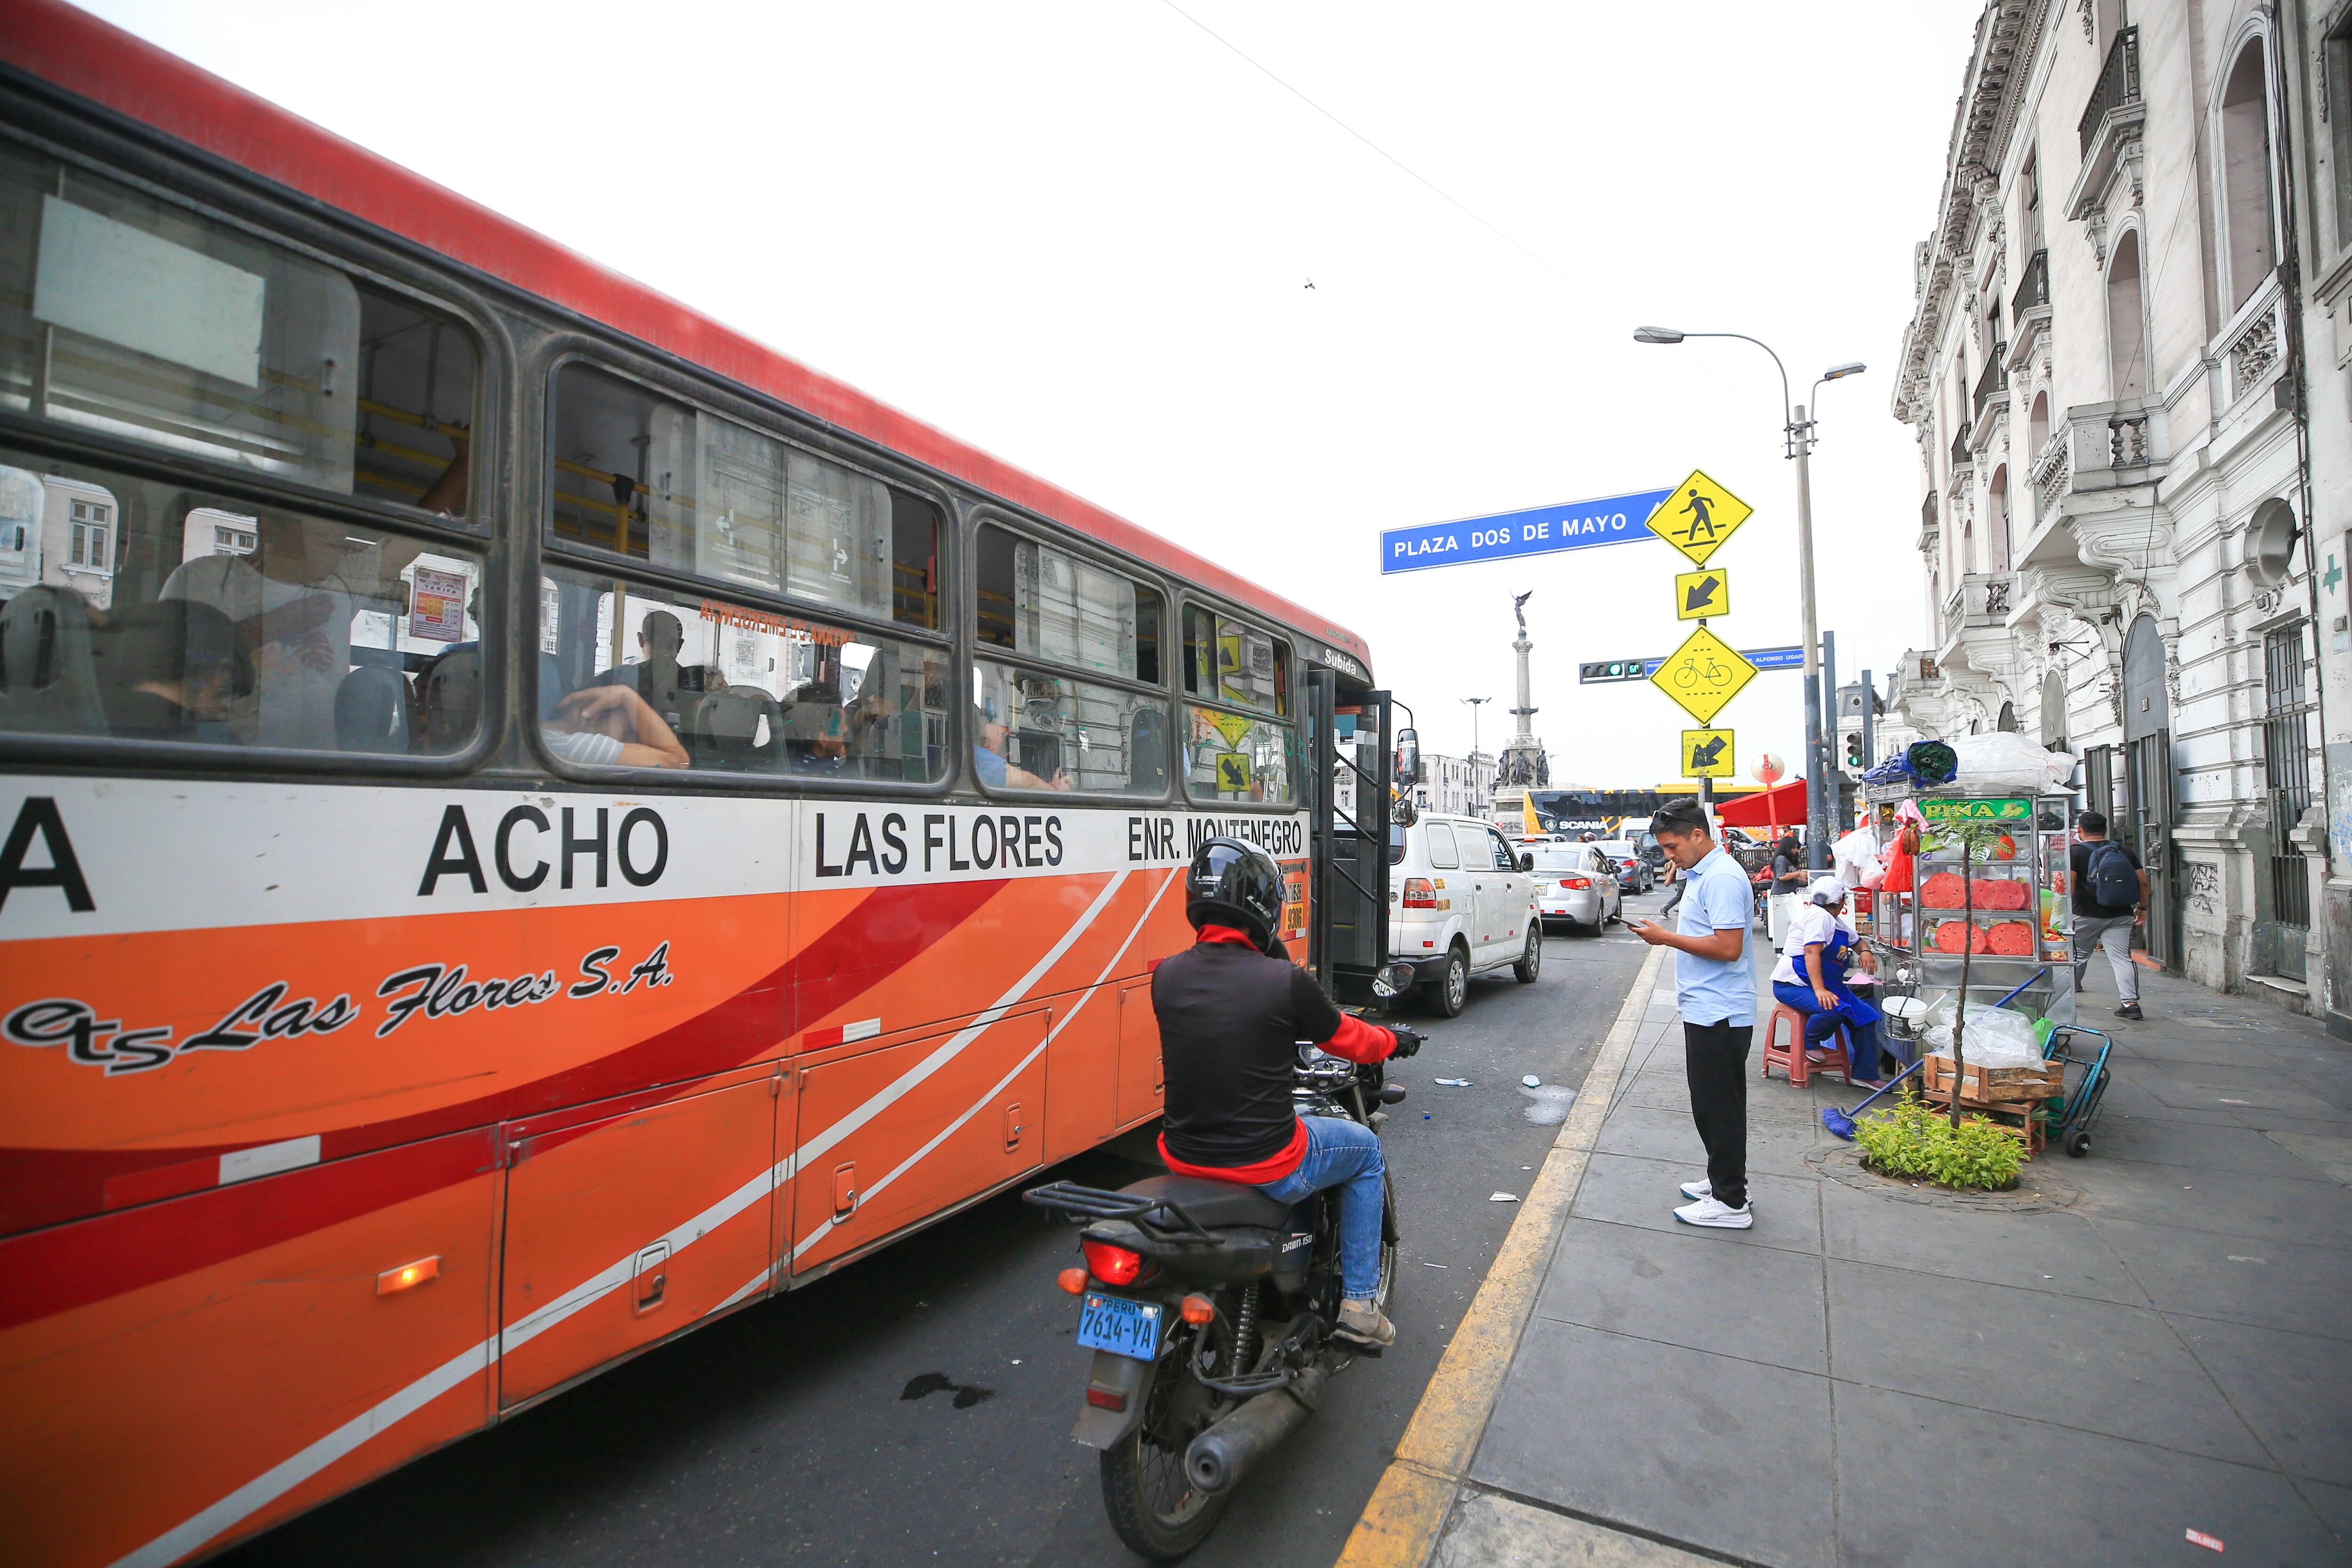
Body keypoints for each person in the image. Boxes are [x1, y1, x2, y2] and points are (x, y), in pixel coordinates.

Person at [1153, 838, 1420, 1345]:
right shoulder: (1283, 980)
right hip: (1266, 1160)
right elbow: (1351, 1040)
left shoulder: (1166, 975)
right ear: (1264, 907)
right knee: (1365, 1152)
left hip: (1182, 1157)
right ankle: (1360, 1306)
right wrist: (1392, 1041)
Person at [1629, 798, 1757, 1229]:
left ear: (1697, 836)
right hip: (1713, 1008)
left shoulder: (1720, 878)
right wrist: (1683, 871)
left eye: (1672, 847)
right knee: (1718, 1104)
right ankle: (1727, 1180)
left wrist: (1666, 937)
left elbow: (1728, 947)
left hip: (1719, 1011)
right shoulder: (1707, 872)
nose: (1669, 856)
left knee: (1716, 1106)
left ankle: (1730, 1201)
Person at [1769, 876, 1893, 1088]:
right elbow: (1811, 952)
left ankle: (1864, 1073)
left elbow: (1857, 941)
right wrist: (1819, 990)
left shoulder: (1835, 921)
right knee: (1833, 1009)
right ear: (1842, 901)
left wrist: (1865, 952)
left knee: (1865, 1017)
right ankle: (1810, 1041)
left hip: (1827, 984)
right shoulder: (1819, 918)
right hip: (1793, 985)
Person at [2069, 810, 2149, 1021]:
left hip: (2085, 914)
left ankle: (2069, 994)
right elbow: (2143, 882)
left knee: (2077, 956)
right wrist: (2143, 908)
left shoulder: (2075, 852)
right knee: (2122, 958)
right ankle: (2131, 1004)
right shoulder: (2123, 851)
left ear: (2080, 830)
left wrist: (2065, 912)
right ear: (2106, 830)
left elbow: (2069, 884)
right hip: (2120, 914)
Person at [1768, 832, 1806, 953]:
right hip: (1782, 894)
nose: (1796, 851)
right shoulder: (1781, 859)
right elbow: (1782, 876)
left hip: (1788, 894)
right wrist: (1798, 874)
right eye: (1794, 848)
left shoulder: (1786, 860)